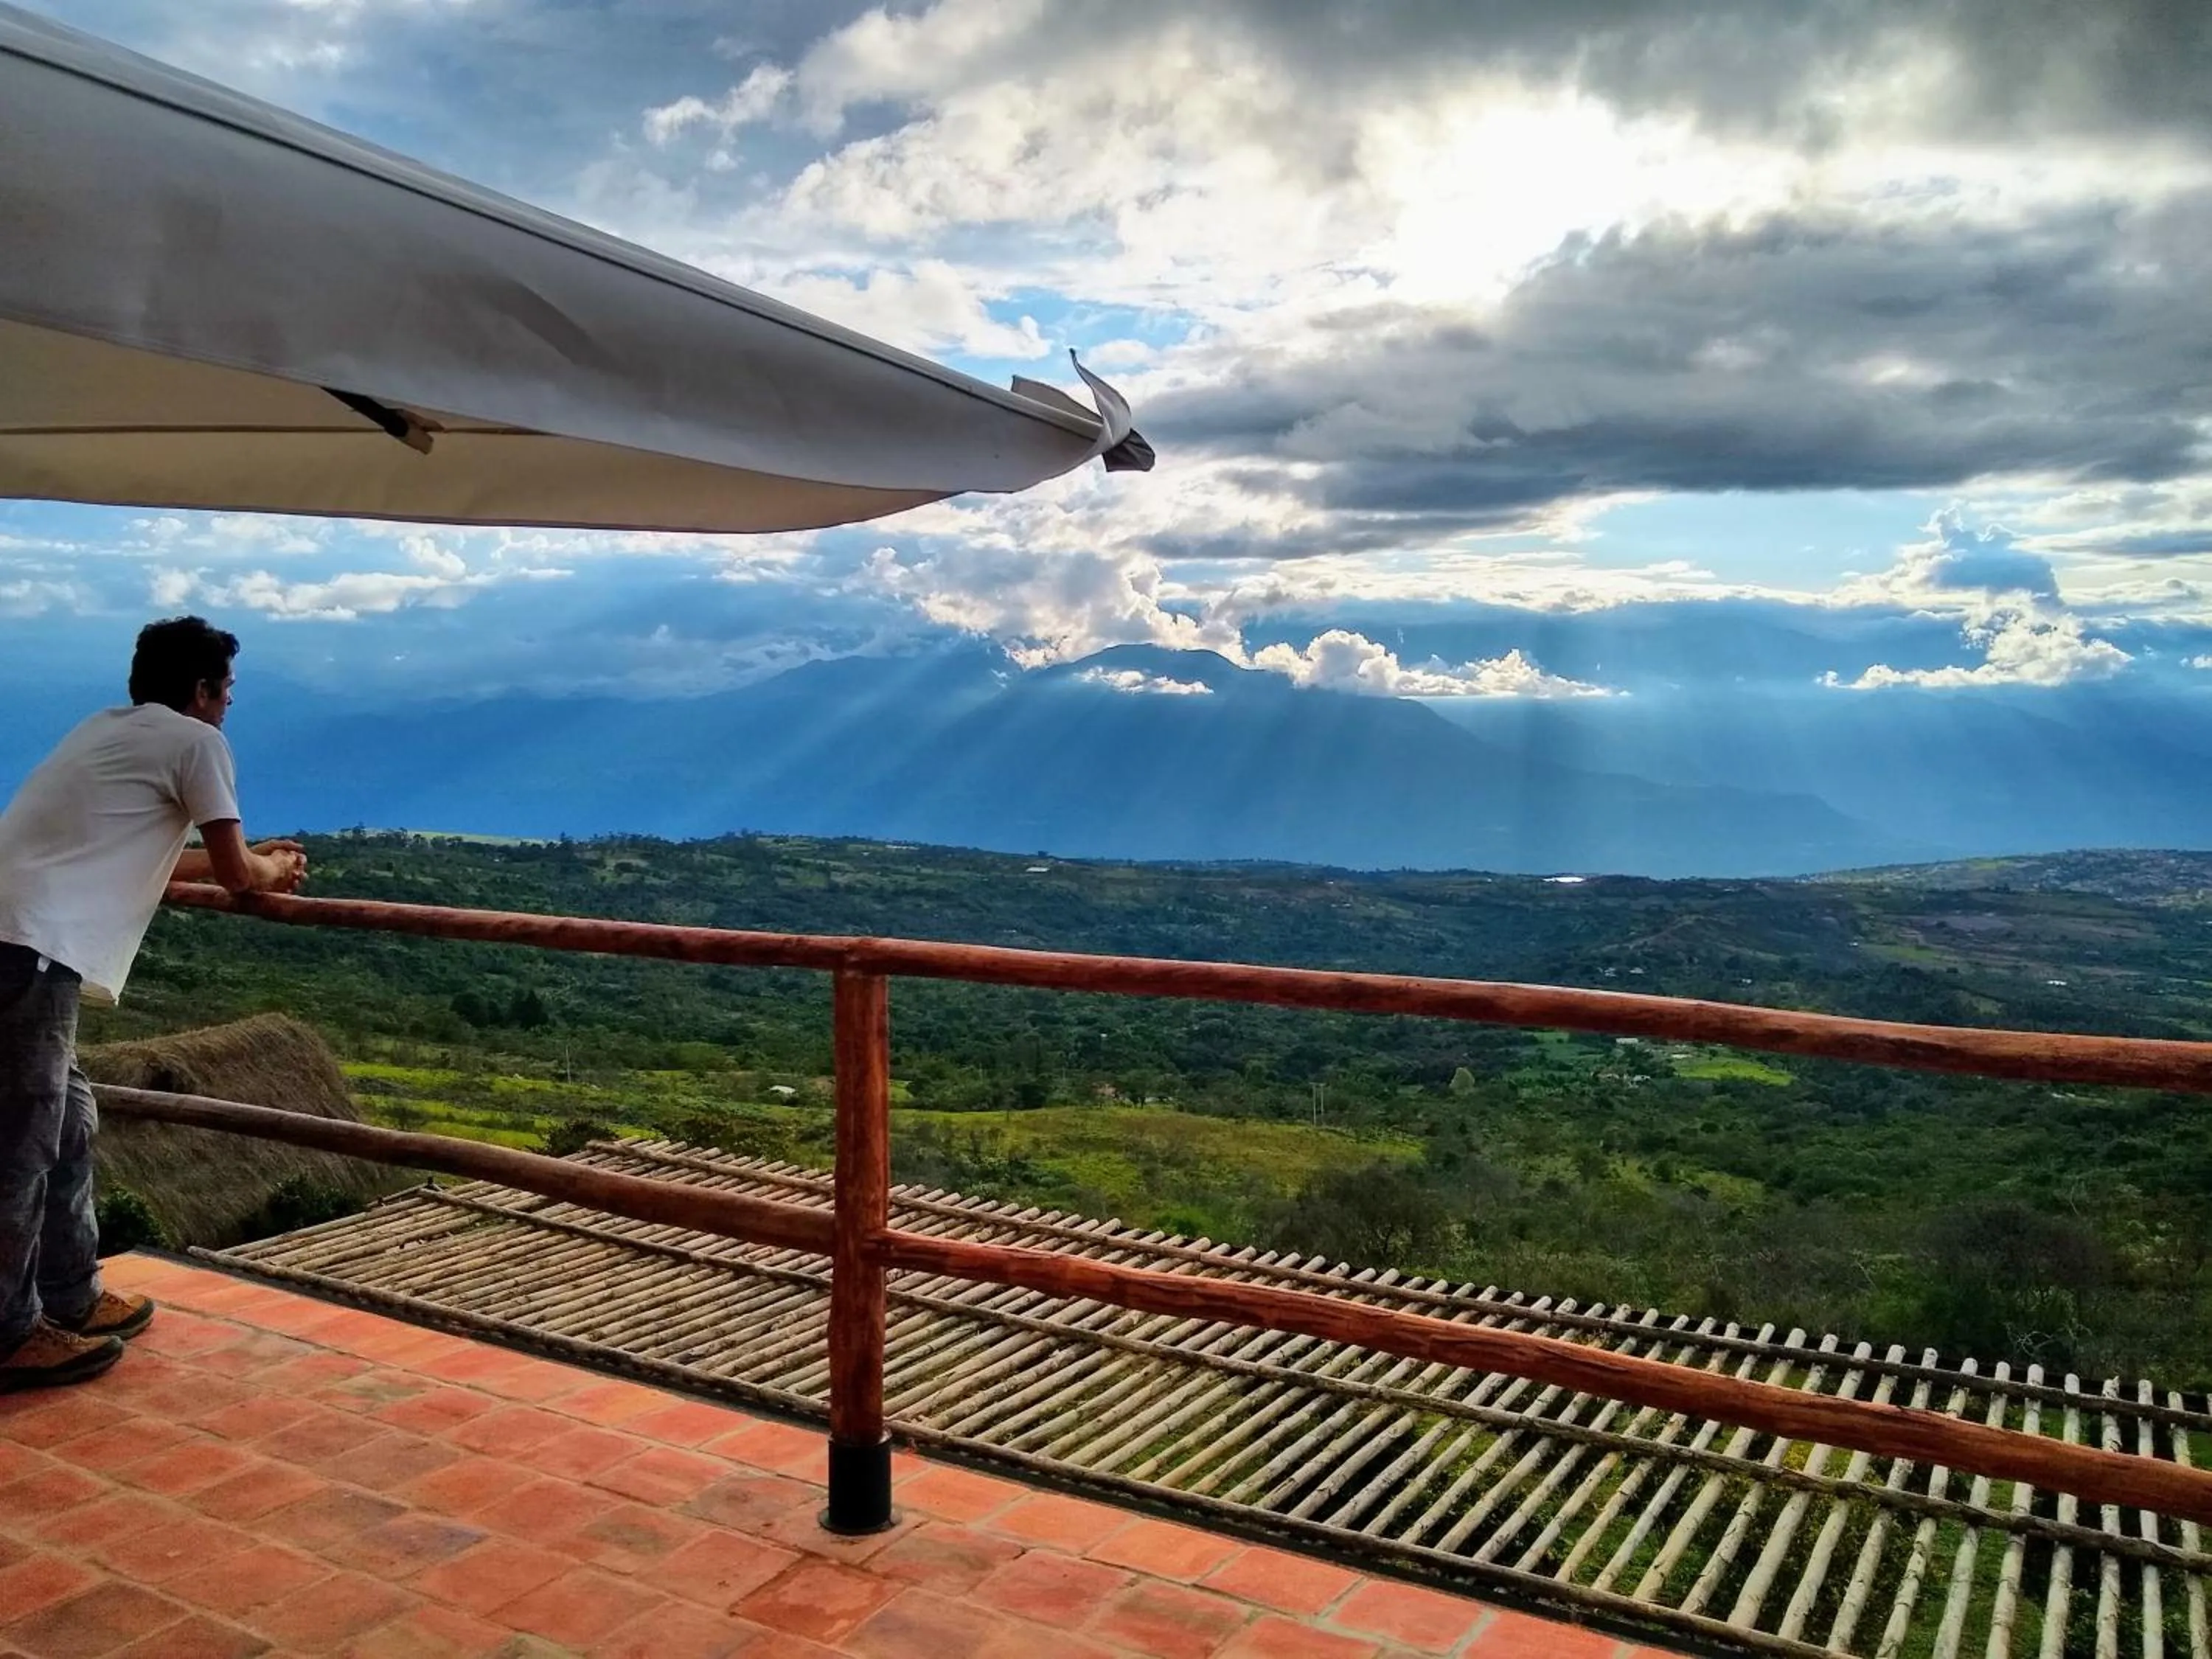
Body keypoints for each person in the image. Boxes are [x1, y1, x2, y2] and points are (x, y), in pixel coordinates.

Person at [0, 616, 307, 1391]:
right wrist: (273, 868)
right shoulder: (198, 743)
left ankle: (69, 1296)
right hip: (30, 950)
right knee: (22, 1144)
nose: (230, 705)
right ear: (203, 691)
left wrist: (250, 863)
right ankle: (7, 1334)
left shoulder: (103, 728)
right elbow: (237, 874)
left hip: (17, 936)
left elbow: (159, 856)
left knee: (69, 1122)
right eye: (228, 691)